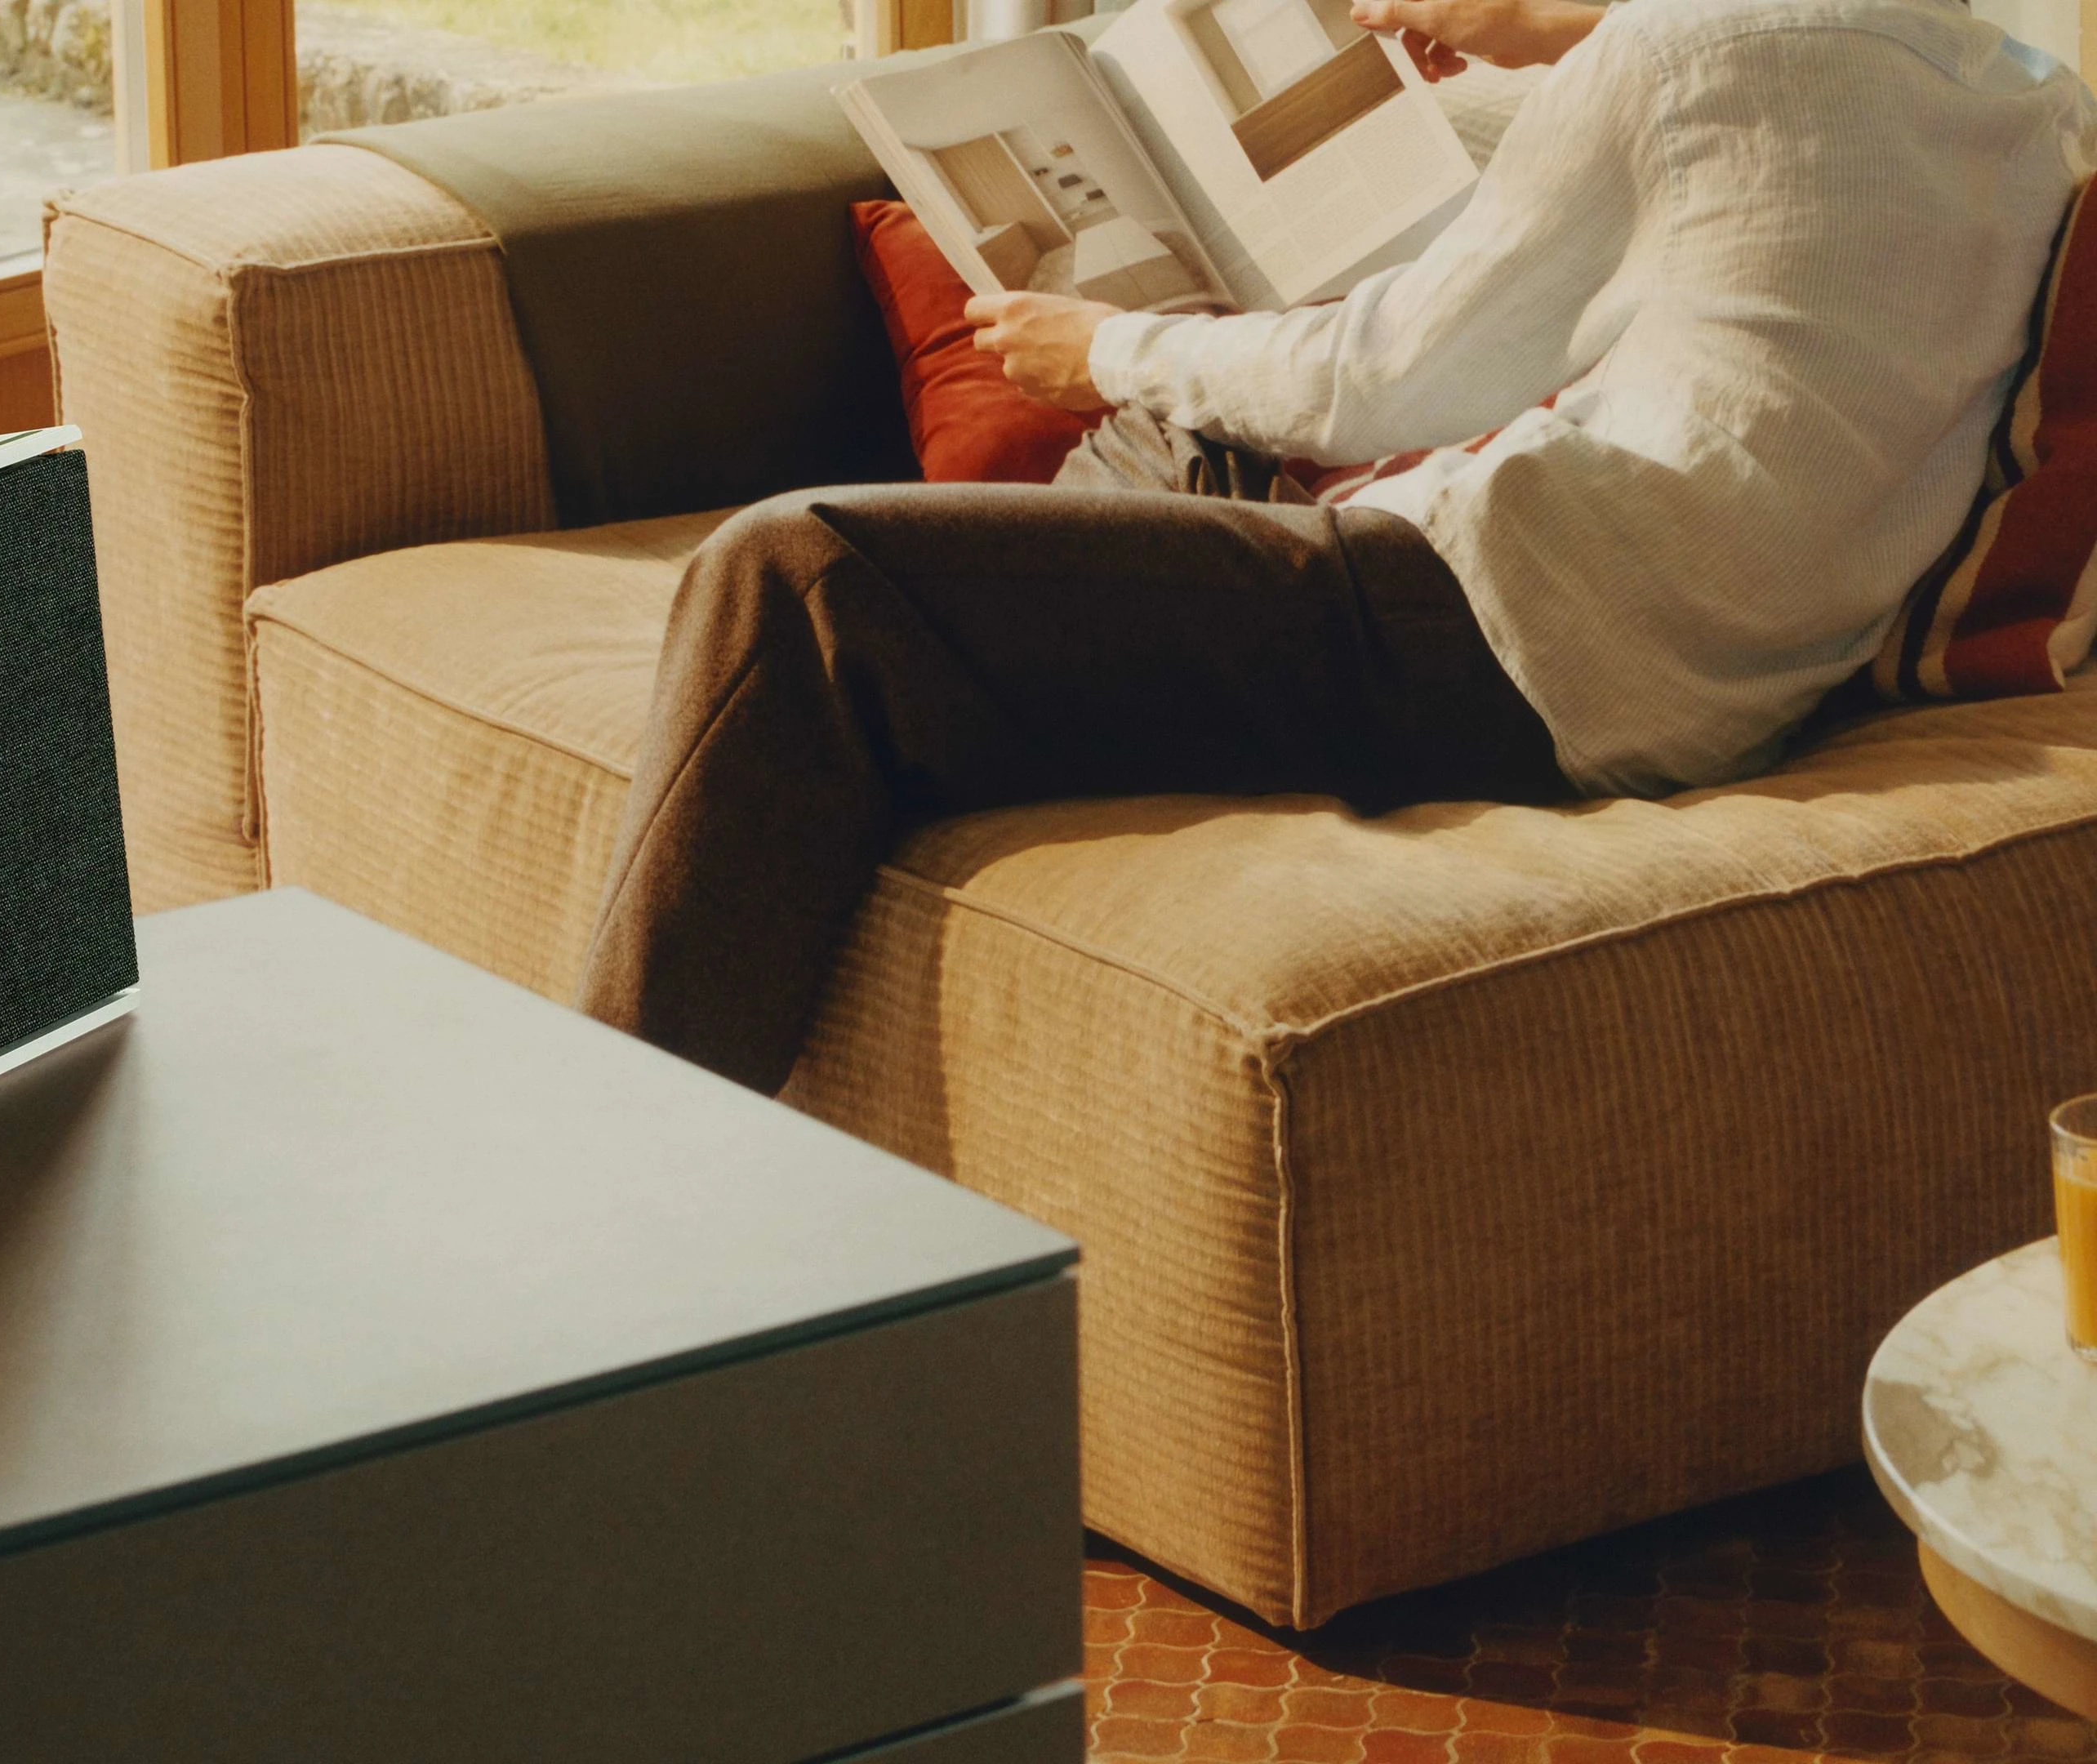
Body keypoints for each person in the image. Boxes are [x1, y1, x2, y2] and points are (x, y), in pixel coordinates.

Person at [576, 0, 2095, 1094]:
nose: (1373, 17)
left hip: (1494, 641)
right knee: (1189, 457)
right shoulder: (2014, 88)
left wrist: (1111, 346)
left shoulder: (1675, 54)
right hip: (1670, 670)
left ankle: (617, 1226)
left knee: (805, 576)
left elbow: (1388, 381)